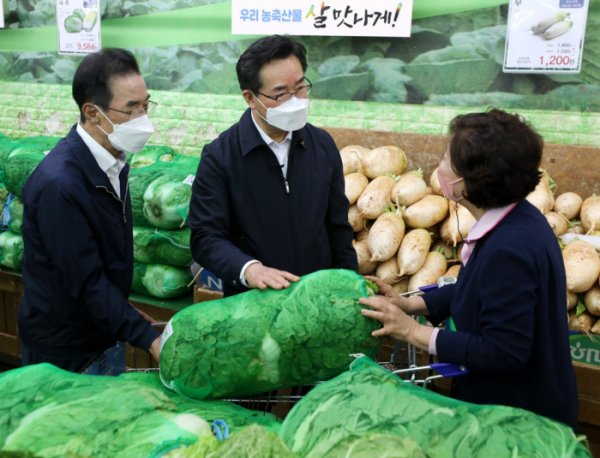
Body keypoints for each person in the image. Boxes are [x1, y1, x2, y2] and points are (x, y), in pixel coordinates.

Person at [361, 109, 578, 429]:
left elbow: (503, 352)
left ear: (467, 183)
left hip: (520, 425)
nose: (440, 165)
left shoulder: (509, 249)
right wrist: (410, 303)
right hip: (514, 411)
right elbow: (480, 291)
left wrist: (411, 330)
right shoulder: (518, 220)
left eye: (447, 158)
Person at [17, 48, 161, 372]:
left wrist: (125, 315)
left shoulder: (114, 160)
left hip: (104, 331)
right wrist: (147, 338)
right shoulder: (59, 186)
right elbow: (84, 281)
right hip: (65, 353)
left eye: (146, 106)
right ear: (92, 112)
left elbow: (100, 259)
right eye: (131, 109)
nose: (144, 120)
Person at [188, 35, 357, 297]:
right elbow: (205, 238)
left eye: (300, 87)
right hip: (255, 303)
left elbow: (338, 228)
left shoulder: (322, 145)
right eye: (280, 94)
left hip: (319, 297)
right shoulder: (220, 157)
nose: (295, 100)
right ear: (250, 98)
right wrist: (249, 269)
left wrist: (350, 285)